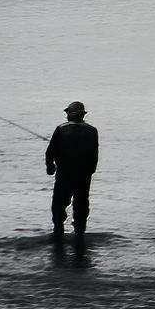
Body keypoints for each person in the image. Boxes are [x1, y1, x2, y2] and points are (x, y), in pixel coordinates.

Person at [44, 101, 100, 239]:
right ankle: (79, 232)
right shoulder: (92, 131)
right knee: (81, 204)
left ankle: (58, 231)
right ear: (82, 115)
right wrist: (90, 171)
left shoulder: (61, 129)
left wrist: (50, 167)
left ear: (69, 114)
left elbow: (50, 152)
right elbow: (94, 155)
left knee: (59, 203)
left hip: (64, 174)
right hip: (83, 176)